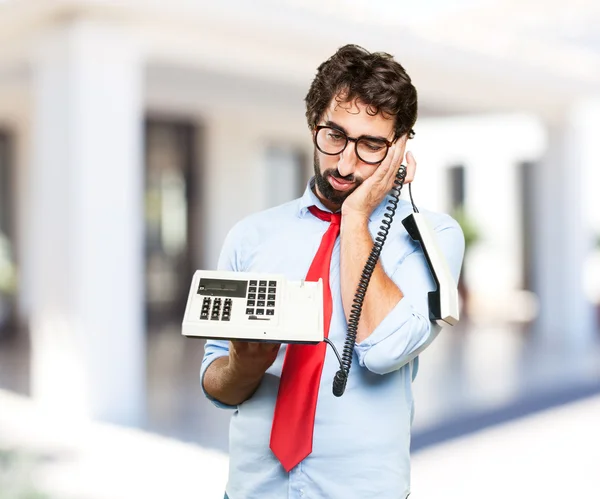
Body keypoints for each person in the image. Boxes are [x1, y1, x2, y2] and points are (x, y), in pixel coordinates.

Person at [201, 44, 465, 499]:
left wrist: (358, 215)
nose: (345, 164)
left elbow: (383, 350)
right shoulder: (251, 235)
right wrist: (243, 367)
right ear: (312, 126)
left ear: (399, 147)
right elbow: (216, 383)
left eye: (371, 146)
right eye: (335, 136)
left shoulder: (432, 237)